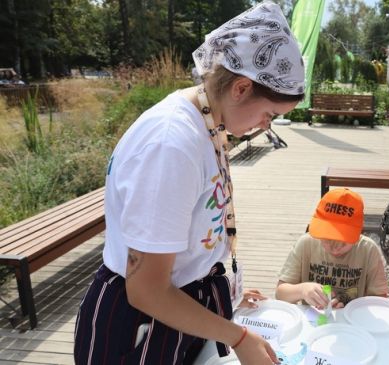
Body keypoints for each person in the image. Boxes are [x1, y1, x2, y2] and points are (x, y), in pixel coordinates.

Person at [73, 3, 305, 365]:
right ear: (241, 88)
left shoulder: (207, 121)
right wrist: (239, 337)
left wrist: (226, 292)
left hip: (179, 309)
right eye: (269, 114)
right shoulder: (171, 144)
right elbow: (147, 290)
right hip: (141, 325)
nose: (265, 126)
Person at [275, 188, 389, 309]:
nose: (335, 250)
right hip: (314, 320)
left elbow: (380, 299)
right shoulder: (306, 244)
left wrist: (353, 306)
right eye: (326, 241)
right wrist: (301, 289)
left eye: (343, 244)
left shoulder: (368, 250)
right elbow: (280, 293)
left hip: (353, 320)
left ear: (357, 233)